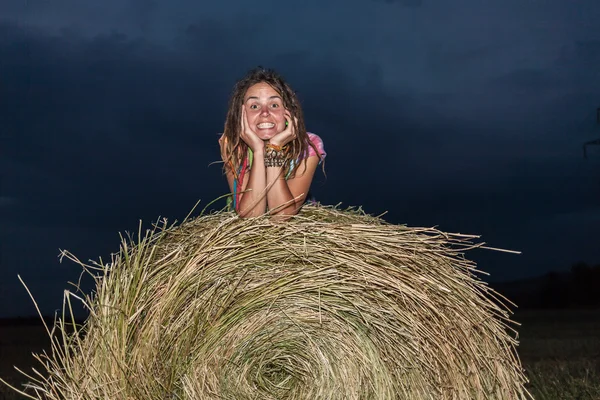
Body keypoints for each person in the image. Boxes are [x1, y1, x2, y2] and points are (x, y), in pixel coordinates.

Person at [219, 67, 326, 218]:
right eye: (254, 106)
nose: (264, 113)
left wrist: (274, 147)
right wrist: (258, 151)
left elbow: (281, 215)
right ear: (241, 115)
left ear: (288, 112)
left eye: (274, 105)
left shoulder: (308, 146)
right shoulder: (232, 145)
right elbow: (252, 216)